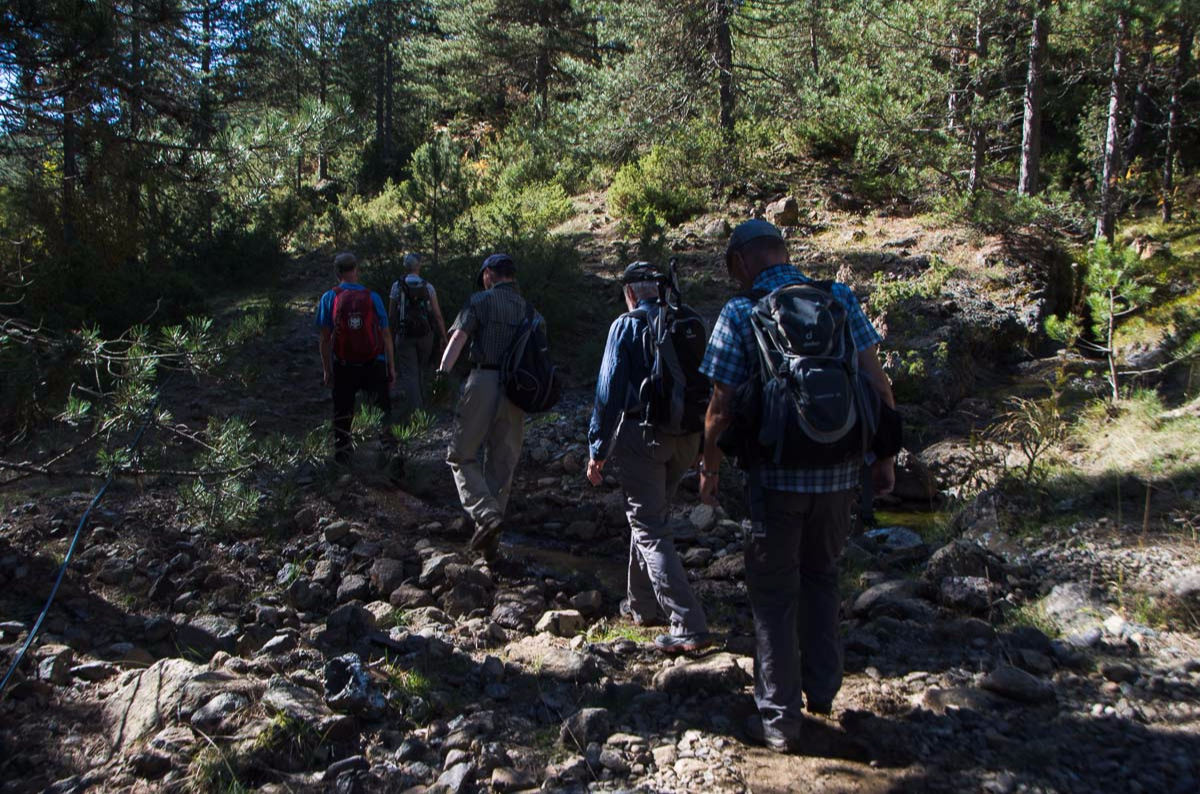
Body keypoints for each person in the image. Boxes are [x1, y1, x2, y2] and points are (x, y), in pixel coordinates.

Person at [698, 219, 896, 753]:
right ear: (782, 252)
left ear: (741, 262)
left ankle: (778, 721)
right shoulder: (838, 298)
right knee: (823, 577)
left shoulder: (741, 312)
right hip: (839, 475)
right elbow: (878, 383)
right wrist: (885, 457)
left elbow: (719, 406)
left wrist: (709, 467)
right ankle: (824, 691)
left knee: (773, 595)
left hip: (775, 476)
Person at [586, 263, 712, 654]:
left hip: (644, 438)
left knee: (649, 527)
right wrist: (705, 448)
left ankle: (687, 622)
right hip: (687, 438)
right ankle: (641, 605)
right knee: (651, 518)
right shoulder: (689, 320)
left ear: (630, 293)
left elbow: (608, 395)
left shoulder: (625, 325)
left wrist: (597, 451)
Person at [437, 253, 542, 560]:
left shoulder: (480, 302)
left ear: (489, 275)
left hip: (483, 379)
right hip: (518, 390)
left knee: (460, 454)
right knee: (502, 464)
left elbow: (457, 339)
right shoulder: (531, 311)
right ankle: (490, 547)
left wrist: (441, 377)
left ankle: (485, 514)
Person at [315, 252, 396, 464]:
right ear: (356, 270)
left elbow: (324, 338)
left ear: (337, 273)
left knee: (342, 412)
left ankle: (343, 459)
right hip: (374, 363)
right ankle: (390, 454)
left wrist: (327, 369)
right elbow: (386, 334)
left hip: (344, 365)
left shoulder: (329, 298)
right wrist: (391, 367)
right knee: (382, 410)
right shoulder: (373, 297)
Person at [388, 252, 448, 419]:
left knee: (409, 373)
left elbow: (392, 315)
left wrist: (390, 337)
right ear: (419, 266)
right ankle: (423, 406)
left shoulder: (396, 286)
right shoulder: (428, 286)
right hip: (425, 334)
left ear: (405, 267)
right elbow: (437, 315)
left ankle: (417, 412)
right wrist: (443, 336)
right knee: (421, 370)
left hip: (404, 334)